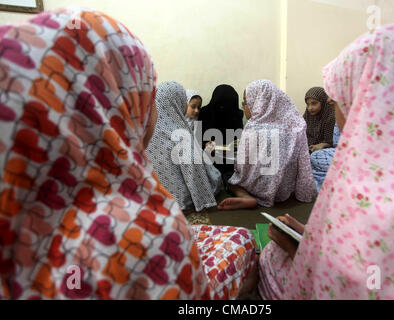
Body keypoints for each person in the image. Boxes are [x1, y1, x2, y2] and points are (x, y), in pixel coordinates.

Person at [0, 7, 256, 300]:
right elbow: (196, 179)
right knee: (241, 234)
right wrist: (207, 199)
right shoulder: (146, 230)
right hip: (186, 206)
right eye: (144, 92)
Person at [258, 24, 394, 300]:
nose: (336, 113)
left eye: (339, 103)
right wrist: (311, 235)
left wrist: (298, 249)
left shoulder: (382, 198)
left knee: (271, 255)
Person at [218, 80, 317, 210]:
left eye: (245, 102)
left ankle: (244, 195)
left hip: (255, 187)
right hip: (283, 190)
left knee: (228, 173)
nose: (243, 106)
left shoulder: (254, 127)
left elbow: (243, 165)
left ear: (259, 102)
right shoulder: (295, 125)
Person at [146, 82, 222, 212]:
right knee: (214, 177)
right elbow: (193, 170)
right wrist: (204, 196)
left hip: (149, 193)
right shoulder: (180, 133)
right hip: (179, 198)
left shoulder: (147, 130)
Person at [303, 87, 336, 153]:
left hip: (326, 152)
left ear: (323, 102)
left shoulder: (331, 116)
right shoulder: (307, 115)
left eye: (314, 103)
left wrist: (324, 145)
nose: (310, 108)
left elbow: (333, 142)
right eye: (308, 104)